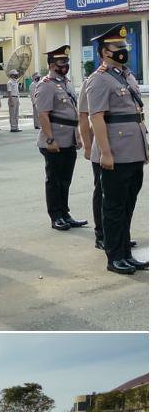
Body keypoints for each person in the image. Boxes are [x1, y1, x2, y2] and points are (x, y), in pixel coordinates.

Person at [87, 24, 149, 276]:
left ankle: (125, 252)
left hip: (134, 151)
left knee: (127, 206)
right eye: (117, 48)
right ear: (104, 52)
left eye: (125, 47)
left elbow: (137, 116)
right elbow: (97, 118)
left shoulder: (127, 76)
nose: (123, 51)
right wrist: (105, 152)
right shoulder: (99, 79)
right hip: (116, 152)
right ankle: (115, 257)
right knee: (113, 207)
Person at [35, 45, 87, 233]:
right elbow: (43, 114)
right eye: (60, 62)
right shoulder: (46, 85)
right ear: (51, 64)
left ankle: (65, 213)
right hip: (54, 140)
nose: (64, 65)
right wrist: (50, 139)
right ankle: (55, 216)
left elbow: (72, 112)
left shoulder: (66, 83)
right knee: (54, 180)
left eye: (66, 61)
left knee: (65, 180)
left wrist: (78, 136)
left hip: (69, 139)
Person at [78, 61, 110, 251]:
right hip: (100, 144)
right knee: (102, 190)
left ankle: (117, 234)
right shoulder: (92, 81)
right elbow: (84, 117)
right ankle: (102, 234)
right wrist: (87, 146)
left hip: (122, 144)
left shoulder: (124, 77)